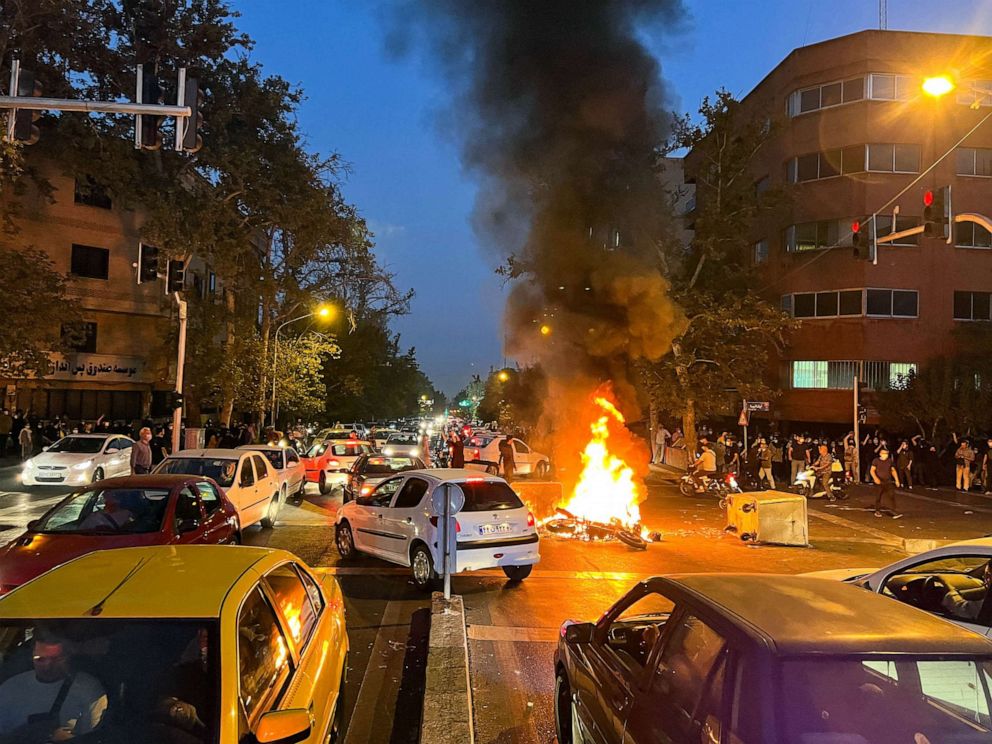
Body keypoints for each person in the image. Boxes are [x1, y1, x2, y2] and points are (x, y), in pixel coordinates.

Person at [0, 630, 107, 739]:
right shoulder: (10, 688)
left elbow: (95, 738)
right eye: (40, 659)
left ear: (69, 656)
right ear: (31, 657)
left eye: (56, 659)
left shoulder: (87, 689)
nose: (47, 666)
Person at [870, 448, 902, 519]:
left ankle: (893, 511)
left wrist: (897, 480)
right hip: (879, 481)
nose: (885, 455)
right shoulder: (876, 461)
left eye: (887, 454)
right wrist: (875, 478)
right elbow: (872, 470)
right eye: (884, 453)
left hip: (888, 481)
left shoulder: (890, 461)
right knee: (878, 496)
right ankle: (877, 511)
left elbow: (893, 470)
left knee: (891, 495)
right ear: (880, 454)